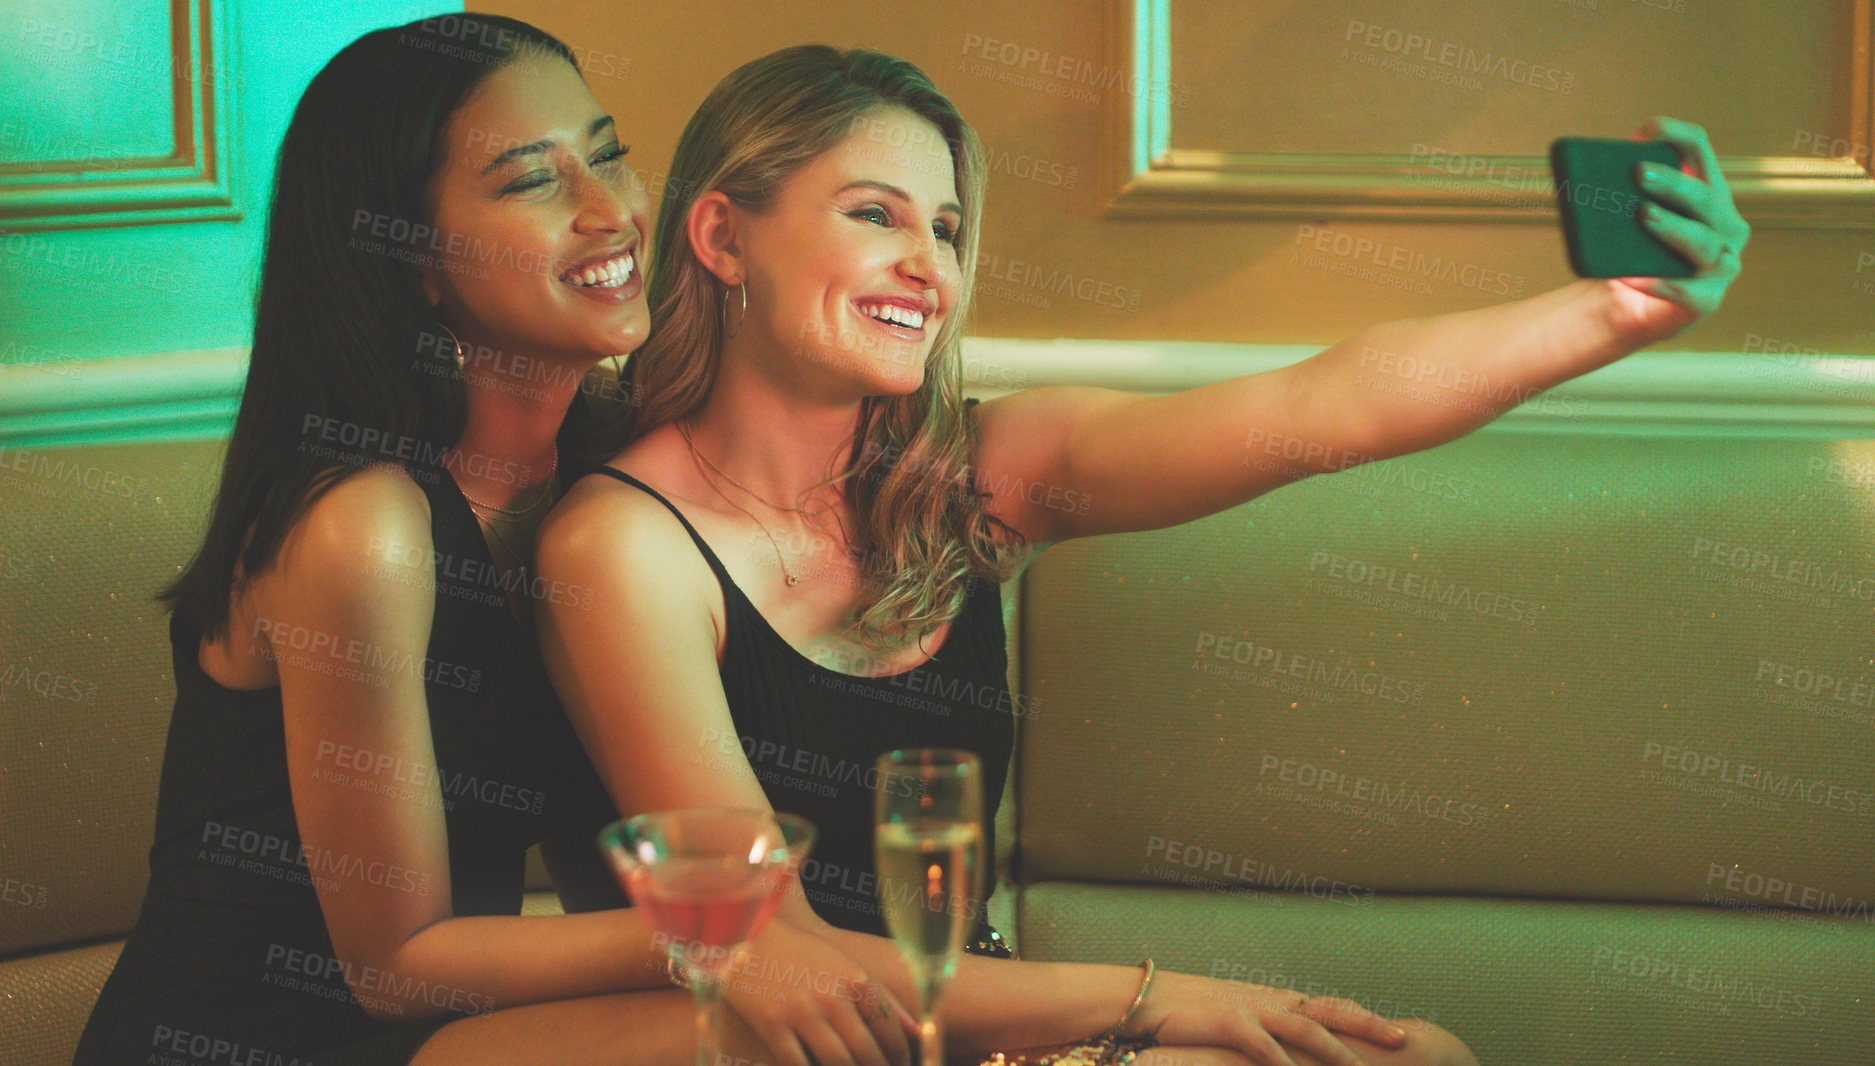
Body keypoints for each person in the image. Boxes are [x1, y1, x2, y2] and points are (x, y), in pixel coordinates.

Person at [535, 43, 1747, 1066]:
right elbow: (780, 955)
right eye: (875, 214)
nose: (930, 267)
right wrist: (1170, 996)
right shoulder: (626, 545)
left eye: (947, 229)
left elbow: (1331, 407)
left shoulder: (971, 476)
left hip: (974, 1026)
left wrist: (1617, 313)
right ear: (721, 235)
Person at [74, 17, 931, 1066]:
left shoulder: (611, 472)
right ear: (412, 258)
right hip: (264, 1035)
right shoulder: (365, 524)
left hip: (466, 1032)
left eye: (606, 153)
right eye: (531, 181)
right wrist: (722, 942)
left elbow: (600, 840)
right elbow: (392, 964)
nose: (609, 208)